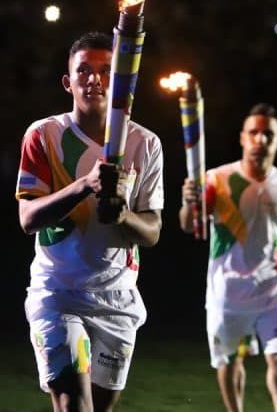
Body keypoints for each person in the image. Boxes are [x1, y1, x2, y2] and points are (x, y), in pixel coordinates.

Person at [15, 31, 164, 412]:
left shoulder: (146, 144)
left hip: (118, 297)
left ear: (123, 82)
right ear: (68, 82)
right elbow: (28, 218)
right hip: (57, 292)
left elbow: (152, 232)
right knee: (73, 405)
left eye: (105, 70)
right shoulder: (44, 135)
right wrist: (85, 185)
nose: (94, 79)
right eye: (83, 70)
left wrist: (123, 215)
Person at [179, 103, 277, 412]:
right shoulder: (216, 180)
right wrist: (189, 202)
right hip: (227, 292)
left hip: (275, 290)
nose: (260, 140)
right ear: (242, 137)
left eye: (268, 134)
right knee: (230, 361)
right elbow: (188, 224)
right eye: (253, 132)